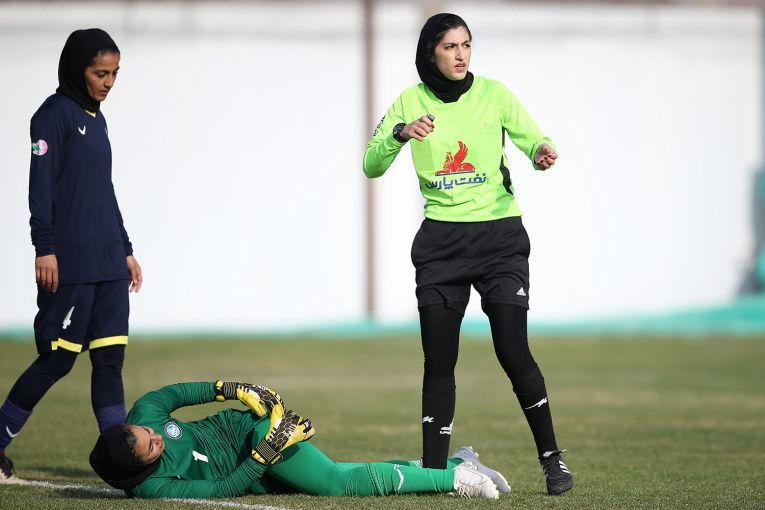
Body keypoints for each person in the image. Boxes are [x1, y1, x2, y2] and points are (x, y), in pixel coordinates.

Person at [363, 13, 573, 495]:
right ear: (430, 53)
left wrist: (542, 151)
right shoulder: (409, 102)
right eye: (450, 47)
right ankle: (438, 472)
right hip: (441, 245)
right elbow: (371, 164)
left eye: (466, 45)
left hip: (500, 239)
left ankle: (552, 460)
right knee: (439, 361)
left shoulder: (494, 94)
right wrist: (400, 134)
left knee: (513, 350)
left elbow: (533, 138)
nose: (461, 55)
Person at [0, 28, 142, 481]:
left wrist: (126, 250)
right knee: (58, 360)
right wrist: (44, 248)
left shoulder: (98, 119)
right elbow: (39, 189)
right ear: (77, 69)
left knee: (110, 360)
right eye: (100, 73)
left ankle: (121, 463)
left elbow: (104, 190)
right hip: (71, 264)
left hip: (109, 263)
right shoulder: (51, 116)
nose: (109, 82)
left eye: (115, 73)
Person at [89, 380, 508, 499]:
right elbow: (220, 489)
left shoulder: (144, 413)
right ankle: (456, 463)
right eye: (150, 446)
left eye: (147, 431)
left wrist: (231, 389)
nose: (155, 436)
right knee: (342, 472)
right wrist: (264, 456)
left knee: (336, 483)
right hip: (254, 463)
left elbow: (179, 394)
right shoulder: (151, 487)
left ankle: (454, 479)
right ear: (137, 469)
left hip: (249, 431)